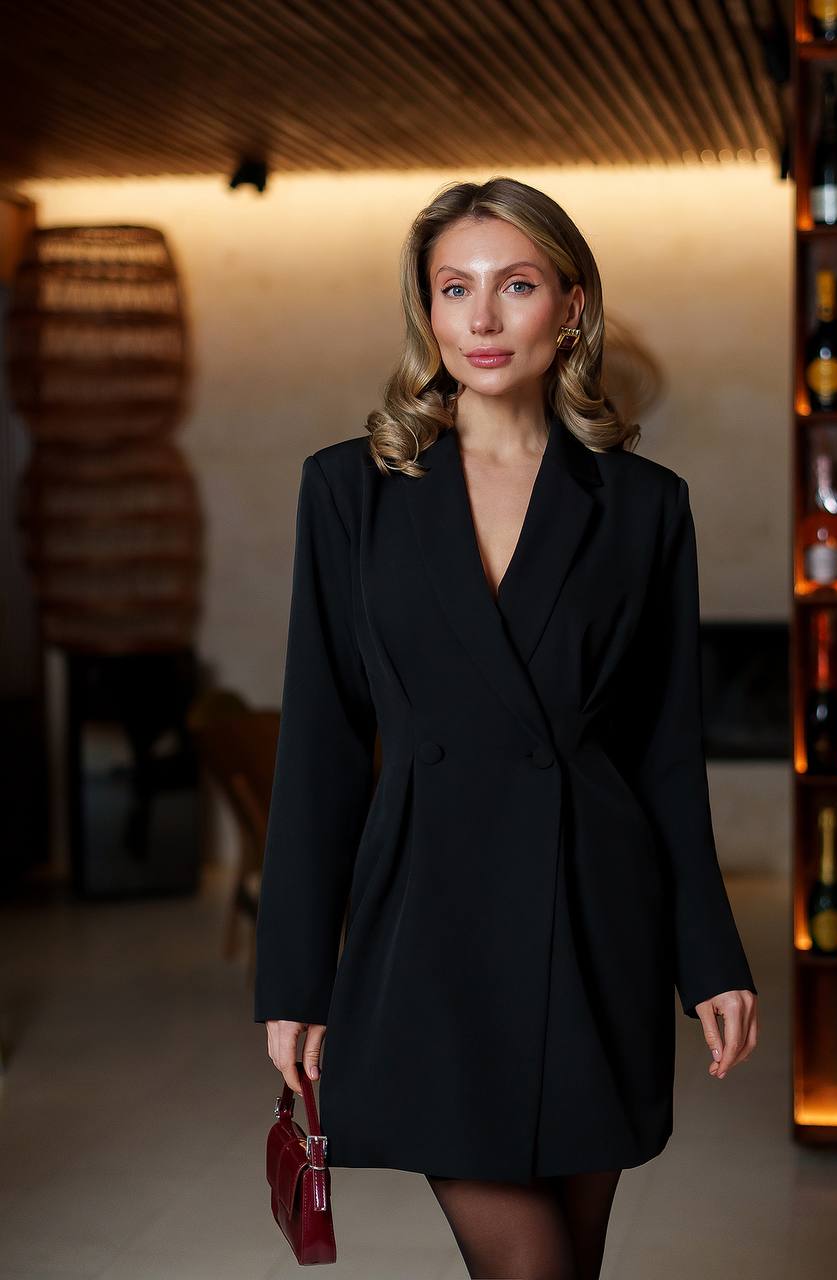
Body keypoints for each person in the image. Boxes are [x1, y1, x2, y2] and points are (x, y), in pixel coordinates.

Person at [254, 176, 758, 1280]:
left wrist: (709, 954)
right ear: (425, 311)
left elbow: (666, 754)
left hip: (593, 918)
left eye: (515, 285)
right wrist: (293, 976)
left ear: (570, 307)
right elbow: (324, 749)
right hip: (427, 924)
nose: (481, 321)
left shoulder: (643, 505)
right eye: (454, 289)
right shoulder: (351, 491)